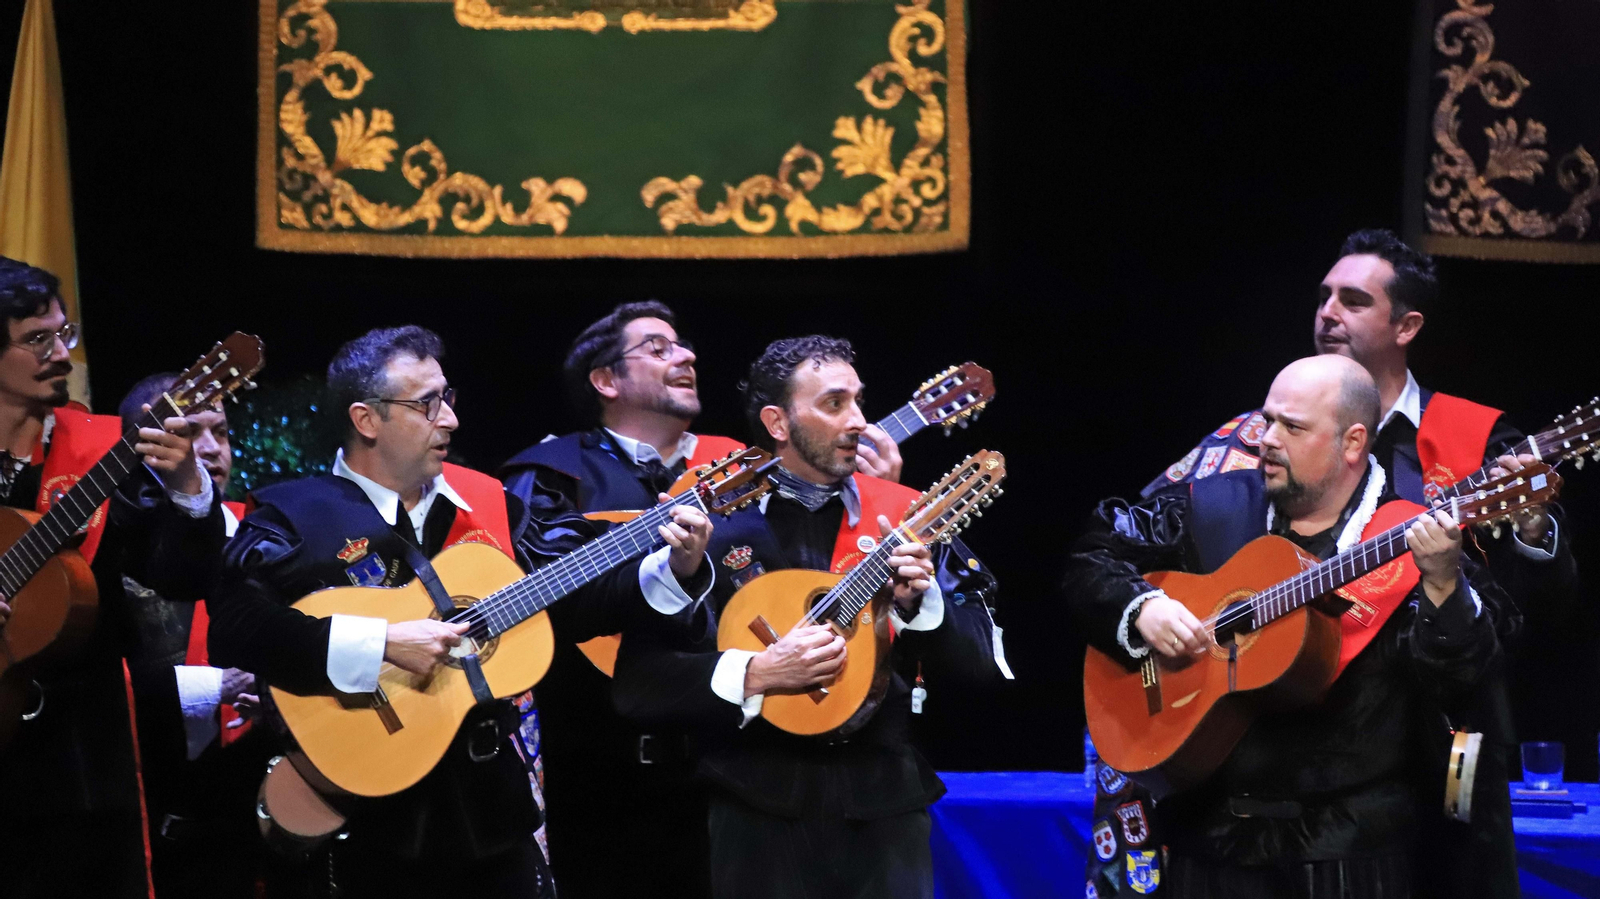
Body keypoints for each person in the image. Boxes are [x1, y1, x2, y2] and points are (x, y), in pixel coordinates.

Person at [206, 326, 715, 899]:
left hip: (490, 816)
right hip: (363, 823)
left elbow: (574, 602)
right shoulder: (292, 514)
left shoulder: (493, 501)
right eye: (426, 404)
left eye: (448, 398)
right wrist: (380, 644)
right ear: (366, 420)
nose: (448, 419)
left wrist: (674, 569)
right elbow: (235, 627)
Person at [1144, 229, 1578, 897]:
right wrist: (1146, 610)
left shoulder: (1477, 441)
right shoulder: (1254, 435)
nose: (1328, 312)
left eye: (1352, 299)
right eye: (1322, 296)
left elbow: (1539, 613)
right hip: (1255, 757)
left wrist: (1534, 528)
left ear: (1407, 325)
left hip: (1423, 767)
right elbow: (1136, 546)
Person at [1066, 355, 1503, 898]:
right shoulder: (1212, 506)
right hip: (1211, 845)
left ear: (1352, 442)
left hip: (1349, 855)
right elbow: (1092, 558)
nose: (1266, 439)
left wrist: (1443, 587)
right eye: (1268, 419)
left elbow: (1460, 680)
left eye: (1292, 427)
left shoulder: (1413, 536)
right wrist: (1142, 608)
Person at [611, 336, 1006, 899]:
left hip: (885, 809)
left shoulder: (905, 516)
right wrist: (757, 674)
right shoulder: (714, 524)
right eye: (834, 403)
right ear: (777, 421)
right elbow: (638, 686)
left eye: (860, 402)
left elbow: (983, 671)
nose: (861, 423)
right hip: (752, 805)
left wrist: (922, 607)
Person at [499, 301, 757, 897]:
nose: (687, 356)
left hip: (737, 774)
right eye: (659, 348)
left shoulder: (742, 469)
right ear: (607, 380)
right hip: (596, 784)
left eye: (684, 346)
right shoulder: (550, 475)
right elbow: (548, 601)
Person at [0, 256, 227, 899]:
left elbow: (180, 575)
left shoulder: (105, 449)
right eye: (37, 338)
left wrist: (187, 487)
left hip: (81, 757)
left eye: (63, 333)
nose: (61, 352)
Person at [117, 373, 266, 899]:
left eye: (220, 432)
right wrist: (211, 687)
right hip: (156, 809)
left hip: (261, 808)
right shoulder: (117, 543)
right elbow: (108, 681)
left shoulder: (266, 532)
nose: (210, 449)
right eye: (191, 433)